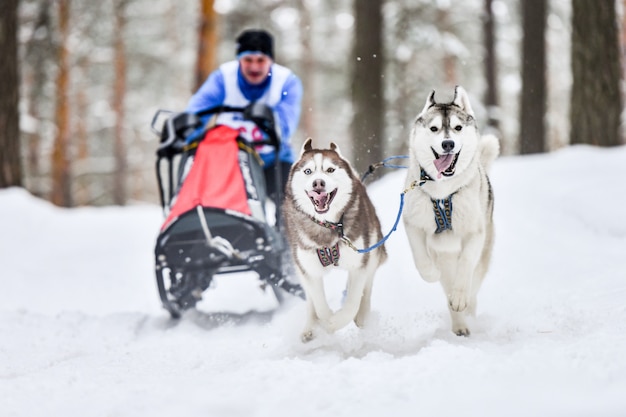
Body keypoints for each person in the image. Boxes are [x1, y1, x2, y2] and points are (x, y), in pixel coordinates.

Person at [185, 29, 303, 218]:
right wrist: (185, 131)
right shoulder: (223, 79)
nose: (254, 67)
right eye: (248, 60)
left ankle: (286, 242)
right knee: (223, 211)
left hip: (274, 160)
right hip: (232, 161)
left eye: (260, 60)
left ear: (270, 60)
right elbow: (197, 112)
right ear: (239, 59)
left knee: (292, 209)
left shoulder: (286, 82)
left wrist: (268, 119)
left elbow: (286, 127)